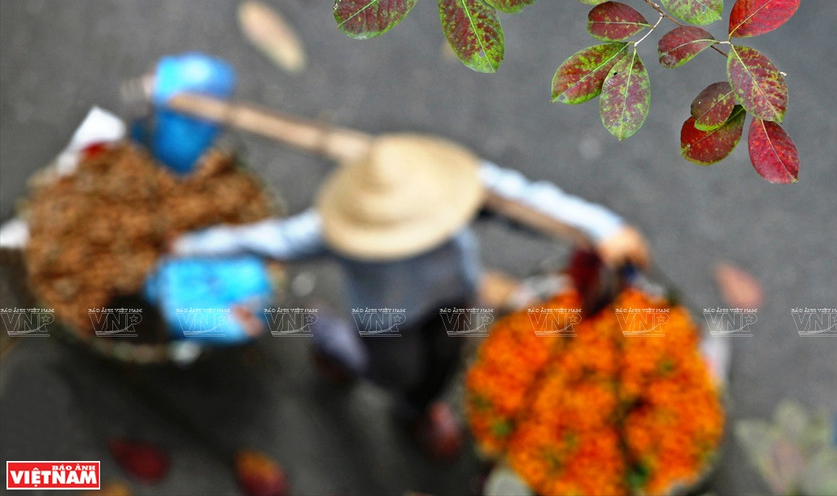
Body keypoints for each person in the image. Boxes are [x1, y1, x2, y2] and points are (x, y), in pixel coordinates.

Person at [171, 133, 649, 460]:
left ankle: (416, 411)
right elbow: (267, 241)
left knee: (442, 364)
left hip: (454, 297)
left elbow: (529, 202)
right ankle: (328, 334)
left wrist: (605, 228)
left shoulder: (454, 188)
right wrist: (188, 248)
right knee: (390, 371)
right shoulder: (331, 229)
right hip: (385, 322)